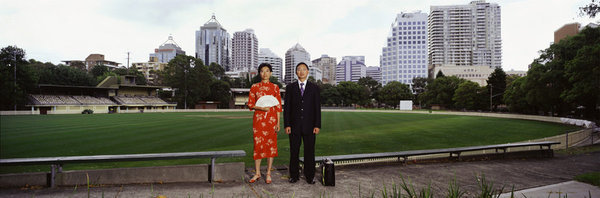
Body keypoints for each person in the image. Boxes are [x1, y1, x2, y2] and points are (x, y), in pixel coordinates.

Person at [284, 62, 321, 184]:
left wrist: (317, 125)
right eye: (299, 69)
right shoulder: (290, 87)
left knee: (309, 152)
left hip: (310, 126)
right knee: (294, 151)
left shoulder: (314, 88)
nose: (301, 71)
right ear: (296, 72)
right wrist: (287, 124)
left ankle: (310, 176)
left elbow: (317, 108)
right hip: (294, 126)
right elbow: (287, 108)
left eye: (304, 69)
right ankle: (294, 175)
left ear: (308, 72)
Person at [247, 63, 282, 184]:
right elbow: (250, 105)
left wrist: (278, 123)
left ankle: (268, 173)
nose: (265, 73)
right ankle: (257, 173)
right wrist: (262, 108)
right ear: (259, 73)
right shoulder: (254, 87)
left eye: (267, 71)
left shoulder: (275, 87)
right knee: (258, 146)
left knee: (270, 146)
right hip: (259, 120)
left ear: (271, 73)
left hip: (271, 121)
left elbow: (278, 107)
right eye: (262, 71)